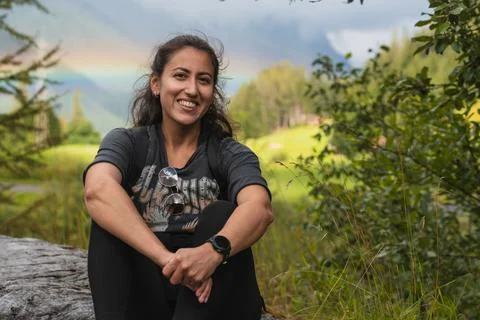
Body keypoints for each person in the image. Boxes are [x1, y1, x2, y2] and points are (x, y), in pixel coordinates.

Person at [83, 34, 274, 320]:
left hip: (214, 296)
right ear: (156, 84)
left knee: (221, 213)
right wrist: (170, 261)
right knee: (109, 219)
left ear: (212, 92)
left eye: (204, 80)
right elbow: (97, 190)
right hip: (151, 290)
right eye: (181, 76)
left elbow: (259, 208)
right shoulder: (128, 143)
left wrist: (213, 252)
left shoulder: (229, 153)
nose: (192, 89)